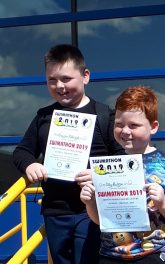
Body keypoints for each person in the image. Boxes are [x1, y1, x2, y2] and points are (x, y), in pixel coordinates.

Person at [13, 44, 124, 264]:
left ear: (85, 76)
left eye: (66, 79)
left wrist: (98, 174)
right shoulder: (44, 117)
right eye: (52, 80)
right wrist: (29, 165)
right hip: (56, 212)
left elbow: (122, 158)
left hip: (92, 211)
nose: (59, 86)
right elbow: (22, 151)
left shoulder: (104, 115)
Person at [80, 86, 165, 263]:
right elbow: (101, 220)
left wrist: (163, 202)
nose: (125, 131)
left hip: (152, 255)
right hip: (110, 255)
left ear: (153, 127)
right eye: (119, 124)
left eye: (134, 125)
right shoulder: (107, 167)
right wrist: (90, 202)